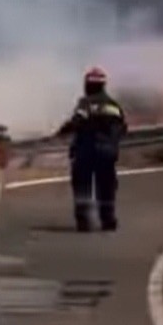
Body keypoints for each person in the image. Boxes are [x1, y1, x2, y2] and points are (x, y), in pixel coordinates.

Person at [57, 66, 127, 232]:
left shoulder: (86, 103)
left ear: (88, 85)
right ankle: (108, 220)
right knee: (107, 186)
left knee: (82, 186)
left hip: (86, 152)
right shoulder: (114, 105)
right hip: (108, 153)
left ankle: (84, 221)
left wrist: (60, 132)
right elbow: (122, 128)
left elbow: (76, 122)